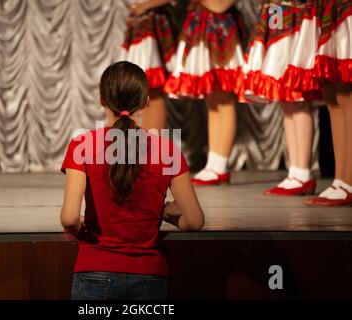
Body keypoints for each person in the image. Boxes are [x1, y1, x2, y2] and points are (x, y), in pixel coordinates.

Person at [60, 61, 204, 300]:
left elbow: (69, 218)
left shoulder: (82, 146)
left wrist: (89, 237)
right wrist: (163, 211)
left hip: (94, 270)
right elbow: (195, 220)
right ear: (146, 101)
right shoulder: (165, 149)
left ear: (102, 99)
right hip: (149, 276)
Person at [240, 0, 321, 196]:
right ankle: (296, 172)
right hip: (278, 13)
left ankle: (303, 172)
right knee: (287, 101)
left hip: (295, 16)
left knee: (296, 98)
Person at [164, 0, 244, 185]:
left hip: (220, 33)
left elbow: (220, 6)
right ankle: (213, 163)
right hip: (201, 30)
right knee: (212, 102)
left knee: (224, 100)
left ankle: (221, 165)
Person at [304, 0, 352, 206]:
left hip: (344, 9)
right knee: (331, 97)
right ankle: (340, 180)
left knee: (345, 95)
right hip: (326, 10)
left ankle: (349, 181)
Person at [120, 0, 177, 132]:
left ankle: (154, 145)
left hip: (153, 20)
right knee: (142, 89)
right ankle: (146, 144)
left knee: (152, 87)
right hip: (141, 21)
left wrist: (145, 6)